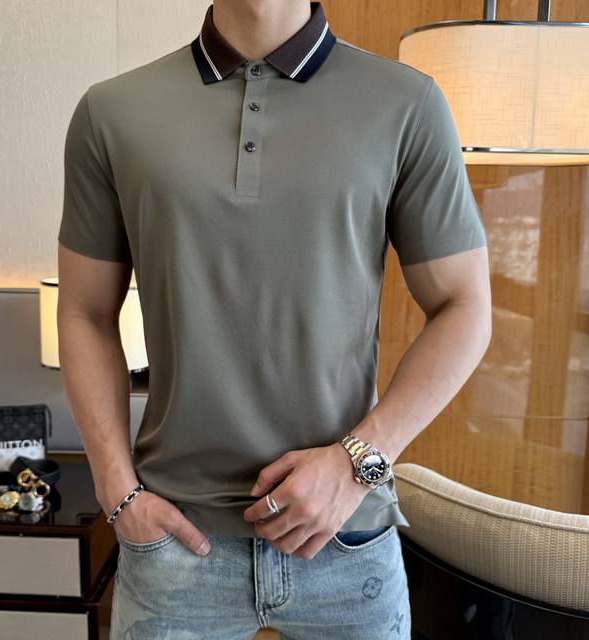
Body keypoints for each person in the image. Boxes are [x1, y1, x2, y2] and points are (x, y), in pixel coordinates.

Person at [56, 1, 492, 638]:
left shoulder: (407, 103)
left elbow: (465, 306)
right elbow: (85, 312)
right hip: (174, 543)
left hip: (347, 541)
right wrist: (116, 492)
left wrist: (357, 464)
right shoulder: (112, 111)